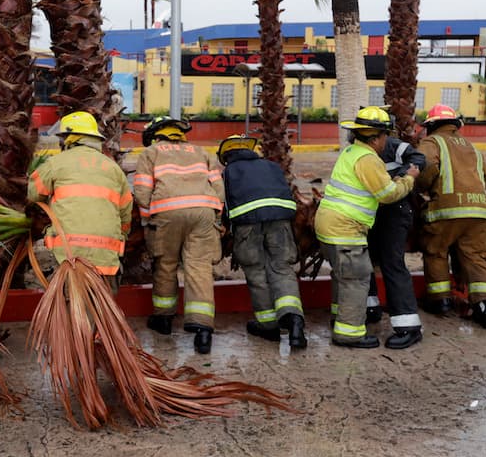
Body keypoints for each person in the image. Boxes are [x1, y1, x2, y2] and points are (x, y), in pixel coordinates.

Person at [315, 106, 419, 348]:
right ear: (375, 138)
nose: (387, 141)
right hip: (345, 229)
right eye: (385, 136)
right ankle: (349, 334)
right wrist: (409, 179)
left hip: (328, 225)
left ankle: (340, 319)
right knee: (356, 278)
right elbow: (387, 194)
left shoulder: (350, 152)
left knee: (342, 276)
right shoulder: (369, 159)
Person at [134, 116, 224, 354]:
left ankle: (163, 319)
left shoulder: (151, 153)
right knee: (200, 266)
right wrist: (215, 215)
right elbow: (219, 189)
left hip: (166, 213)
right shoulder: (201, 152)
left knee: (166, 264)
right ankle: (202, 328)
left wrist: (150, 217)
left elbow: (142, 192)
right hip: (203, 212)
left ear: (156, 135)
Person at [218, 135, 307, 348]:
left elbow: (226, 205)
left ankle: (268, 326)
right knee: (282, 268)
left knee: (256, 271)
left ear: (227, 157)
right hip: (280, 220)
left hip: (247, 225)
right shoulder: (271, 166)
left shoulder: (229, 172)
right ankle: (294, 321)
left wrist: (226, 228)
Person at [27, 111, 132, 290]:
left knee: (69, 303)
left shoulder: (57, 163)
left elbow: (33, 194)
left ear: (70, 139)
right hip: (106, 256)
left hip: (68, 256)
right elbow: (125, 215)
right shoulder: (113, 168)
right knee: (103, 304)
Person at [416, 104, 486, 328]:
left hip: (445, 212)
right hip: (479, 212)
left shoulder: (432, 142)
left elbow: (426, 169)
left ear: (431, 125)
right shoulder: (471, 146)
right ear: (455, 125)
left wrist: (421, 188)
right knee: (476, 257)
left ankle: (440, 300)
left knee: (436, 251)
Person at [364, 122, 427, 349]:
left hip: (395, 211)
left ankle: (408, 326)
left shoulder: (393, 146)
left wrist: (399, 178)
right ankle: (370, 309)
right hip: (372, 212)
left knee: (392, 263)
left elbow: (419, 160)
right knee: (365, 261)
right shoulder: (359, 150)